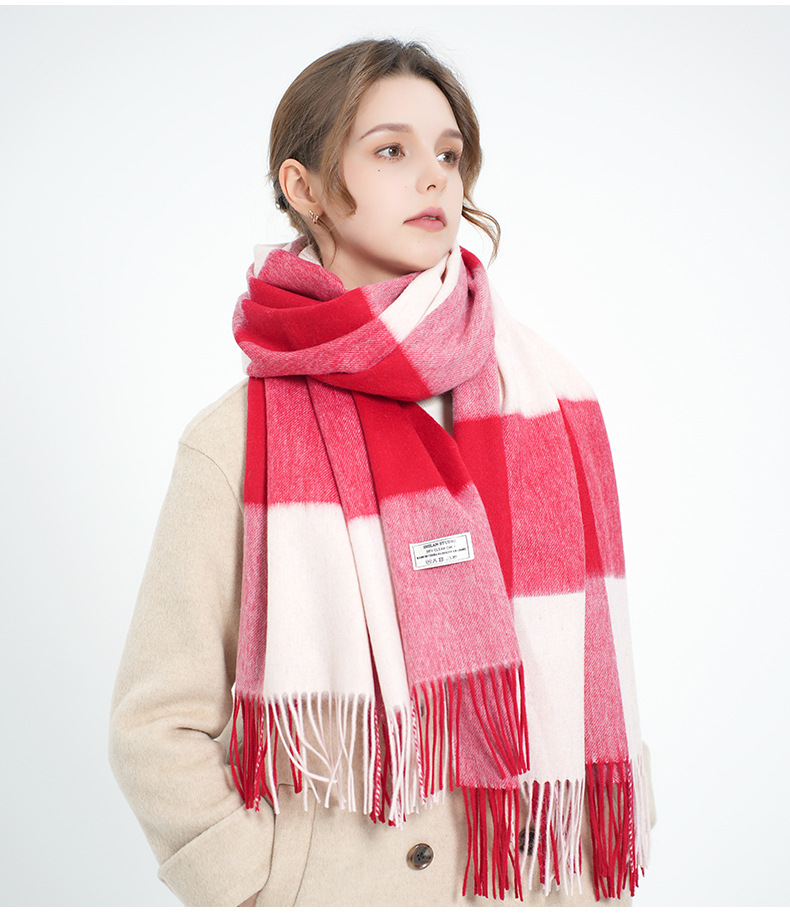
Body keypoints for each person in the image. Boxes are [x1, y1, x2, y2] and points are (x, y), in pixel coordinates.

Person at [109, 38, 655, 908]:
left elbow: (594, 676)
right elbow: (154, 723)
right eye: (392, 150)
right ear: (305, 187)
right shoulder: (236, 440)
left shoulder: (554, 402)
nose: (435, 177)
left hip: (534, 888)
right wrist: (257, 883)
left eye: (449, 153)